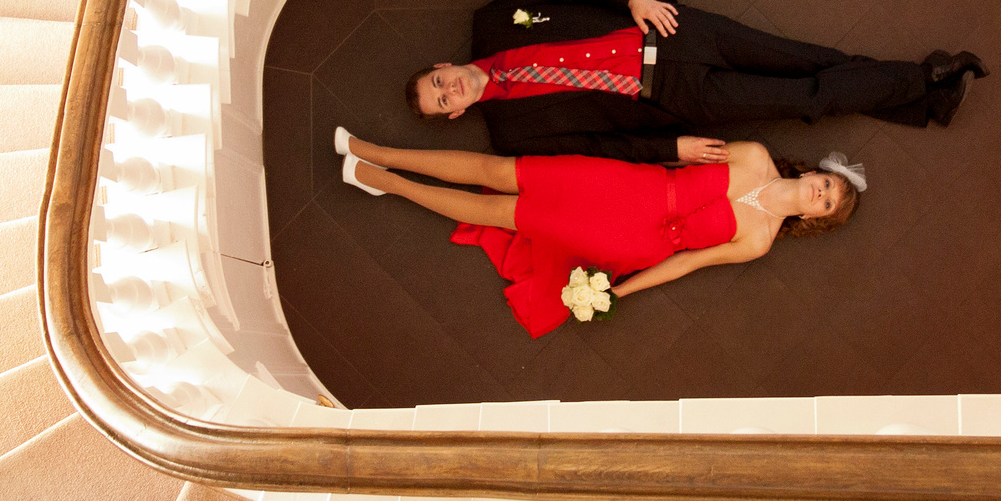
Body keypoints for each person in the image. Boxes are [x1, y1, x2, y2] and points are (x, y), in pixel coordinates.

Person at [405, 0, 986, 164]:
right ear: (456, 115)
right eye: (444, 102)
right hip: (672, 98)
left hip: (671, 29)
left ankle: (922, 99)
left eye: (438, 82)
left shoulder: (492, 21)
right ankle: (925, 80)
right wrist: (672, 150)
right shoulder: (512, 135)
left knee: (809, 59)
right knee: (806, 98)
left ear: (442, 64)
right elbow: (598, 149)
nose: (450, 90)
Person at [335, 125, 865, 336]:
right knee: (503, 172)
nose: (819, 193)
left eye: (827, 202)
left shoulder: (758, 242)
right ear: (813, 172)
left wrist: (625, 289)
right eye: (825, 183)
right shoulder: (754, 154)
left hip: (630, 240)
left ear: (815, 218)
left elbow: (687, 263)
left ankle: (387, 182)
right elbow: (678, 152)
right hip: (625, 183)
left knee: (504, 215)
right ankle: (376, 151)